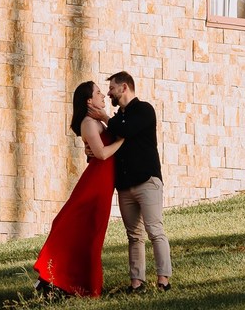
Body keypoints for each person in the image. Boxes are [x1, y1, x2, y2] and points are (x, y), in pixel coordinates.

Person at [32, 81, 124, 297]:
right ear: (89, 100)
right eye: (99, 93)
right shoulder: (88, 123)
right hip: (96, 184)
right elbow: (101, 154)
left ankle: (74, 284)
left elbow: (101, 146)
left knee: (92, 234)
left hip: (103, 182)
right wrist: (122, 140)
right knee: (87, 233)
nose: (103, 95)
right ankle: (65, 283)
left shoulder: (94, 121)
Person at [105, 70, 172, 292]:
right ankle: (137, 283)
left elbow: (126, 130)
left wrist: (104, 118)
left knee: (155, 230)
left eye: (112, 88)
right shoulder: (117, 118)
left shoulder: (144, 110)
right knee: (134, 235)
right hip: (125, 187)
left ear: (124, 87)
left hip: (147, 181)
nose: (108, 93)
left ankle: (163, 280)